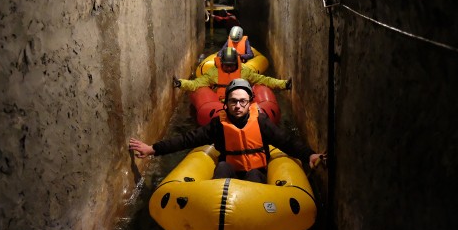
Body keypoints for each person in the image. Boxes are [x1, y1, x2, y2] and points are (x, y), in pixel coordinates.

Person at [129, 79, 324, 183]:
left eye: (242, 101)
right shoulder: (218, 125)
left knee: (255, 175)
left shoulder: (261, 123)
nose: (238, 106)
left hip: (255, 172)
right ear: (226, 103)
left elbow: (287, 141)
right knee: (222, 167)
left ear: (249, 103)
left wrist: (309, 155)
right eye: (233, 101)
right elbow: (187, 139)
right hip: (230, 170)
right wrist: (152, 149)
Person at [173, 47, 292, 100]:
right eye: (226, 65)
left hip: (240, 101)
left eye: (232, 65)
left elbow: (264, 80)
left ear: (237, 63)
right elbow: (196, 84)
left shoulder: (244, 71)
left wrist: (284, 84)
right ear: (221, 63)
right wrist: (180, 83)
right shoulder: (214, 73)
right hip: (220, 102)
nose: (229, 68)